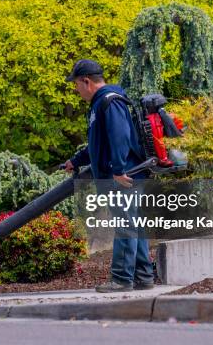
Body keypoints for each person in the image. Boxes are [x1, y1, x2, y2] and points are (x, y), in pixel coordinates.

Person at [63, 59, 154, 292]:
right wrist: (76, 160)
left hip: (124, 176)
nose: (76, 90)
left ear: (86, 81)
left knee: (125, 224)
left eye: (76, 85)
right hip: (124, 174)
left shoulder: (108, 101)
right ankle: (143, 276)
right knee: (133, 223)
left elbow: (120, 136)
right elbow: (98, 143)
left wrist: (118, 170)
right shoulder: (100, 104)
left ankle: (122, 279)